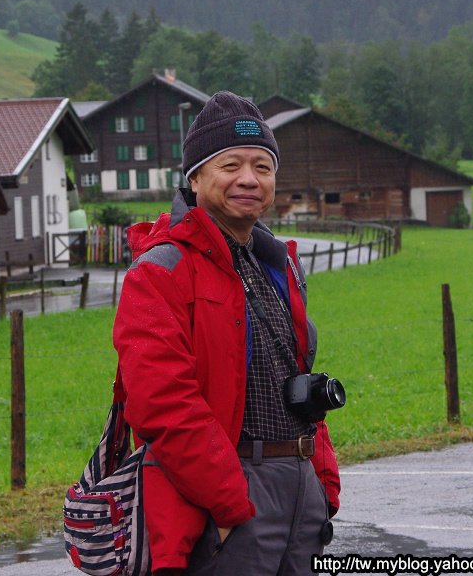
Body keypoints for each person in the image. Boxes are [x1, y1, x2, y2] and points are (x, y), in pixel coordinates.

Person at [113, 91, 341, 576]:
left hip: (299, 492)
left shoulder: (279, 266)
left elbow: (295, 378)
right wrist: (229, 502)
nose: (248, 179)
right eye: (230, 164)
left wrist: (321, 483)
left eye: (262, 166)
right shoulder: (161, 270)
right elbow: (161, 402)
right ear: (195, 178)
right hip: (227, 493)